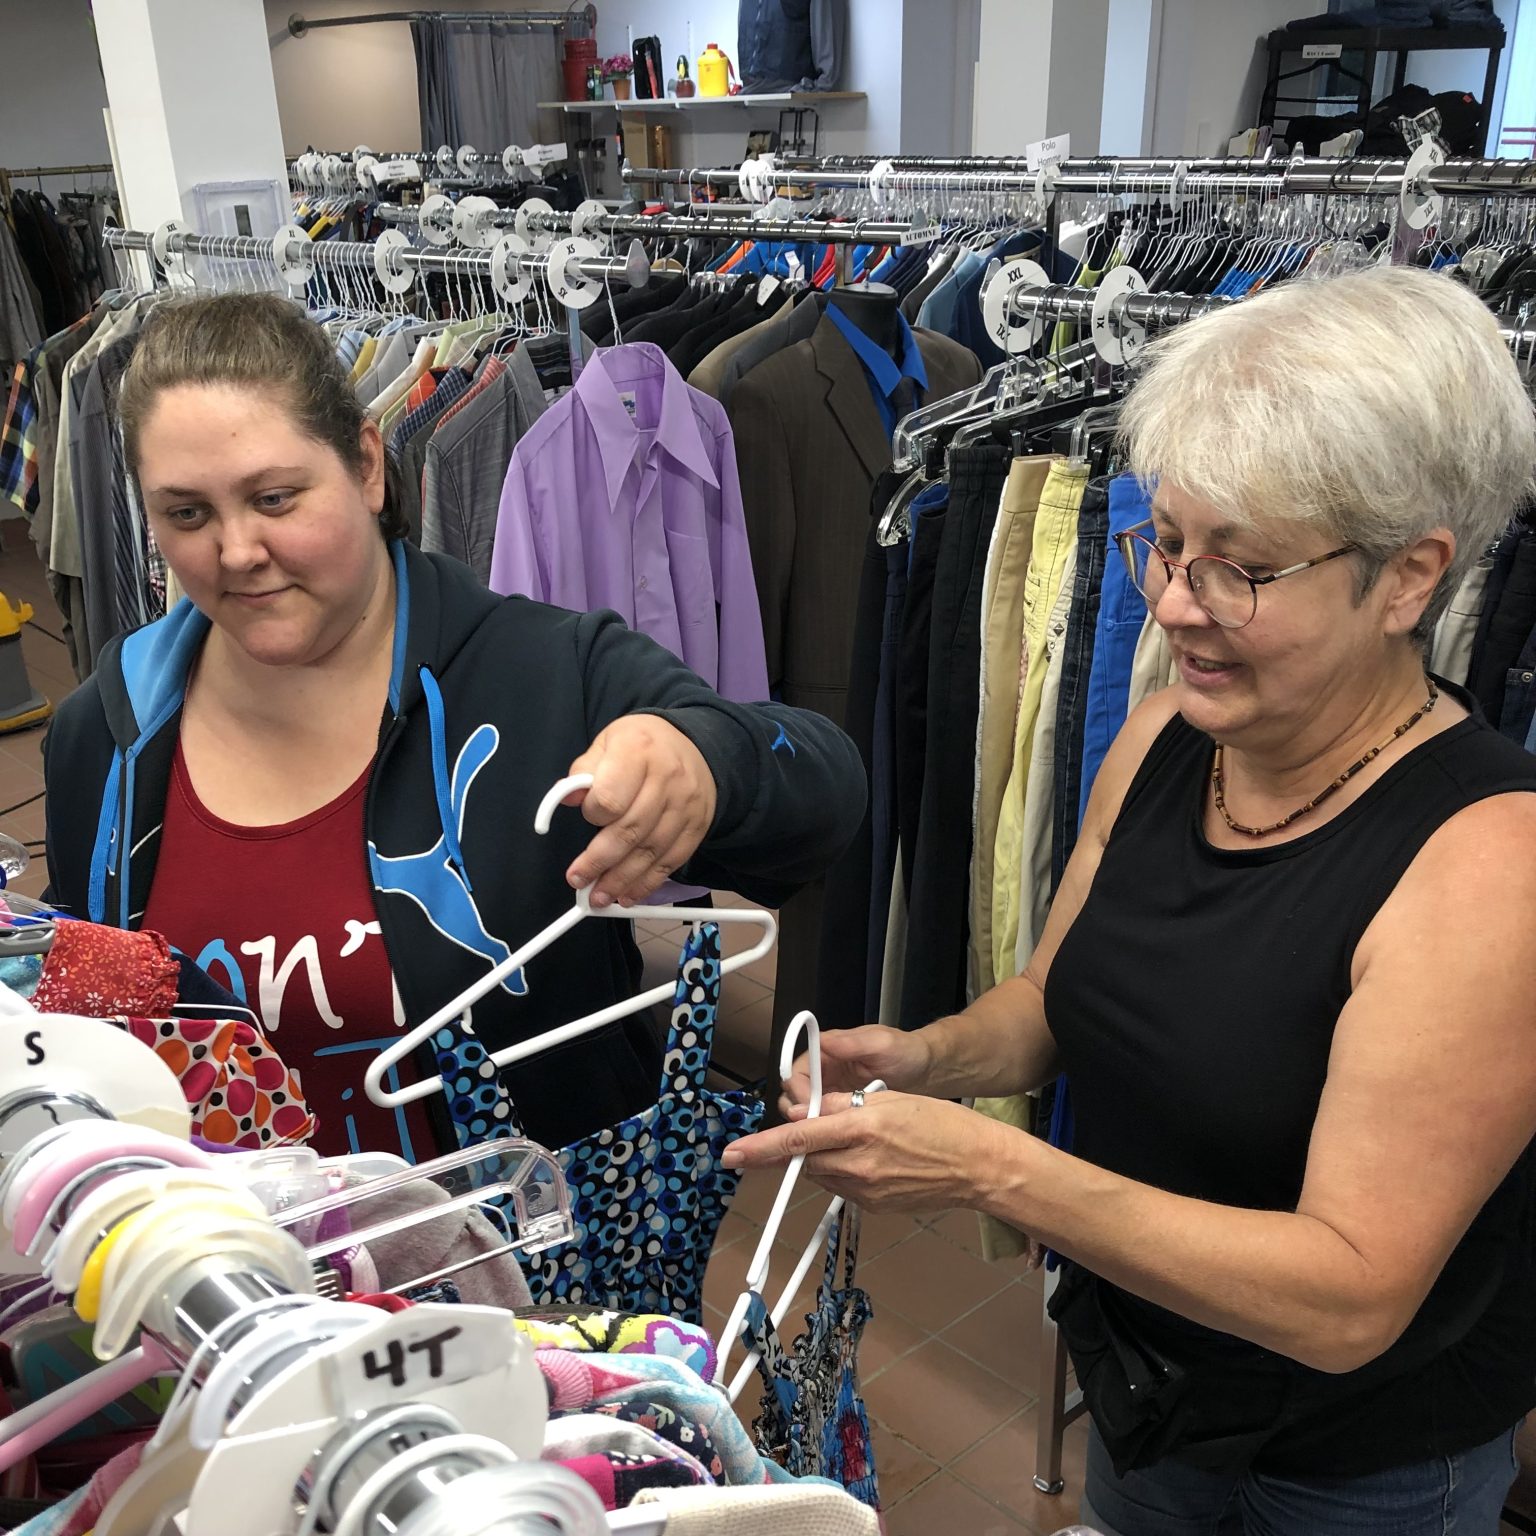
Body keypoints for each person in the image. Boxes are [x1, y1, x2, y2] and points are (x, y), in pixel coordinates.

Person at [725, 267, 1536, 1532]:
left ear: (1408, 579)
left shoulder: (1489, 865)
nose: (1171, 602)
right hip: (1147, 1388)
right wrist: (924, 1056)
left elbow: (1349, 1296)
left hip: (1352, 1472)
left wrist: (996, 1170)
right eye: (1165, 543)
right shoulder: (1168, 739)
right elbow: (1055, 1001)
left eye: (1241, 569)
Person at [42, 292, 866, 1162]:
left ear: (367, 465)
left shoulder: (544, 675)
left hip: (511, 1245)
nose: (237, 551)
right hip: (212, 1246)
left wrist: (704, 760)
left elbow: (825, 789)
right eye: (187, 514)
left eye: (275, 498)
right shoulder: (108, 733)